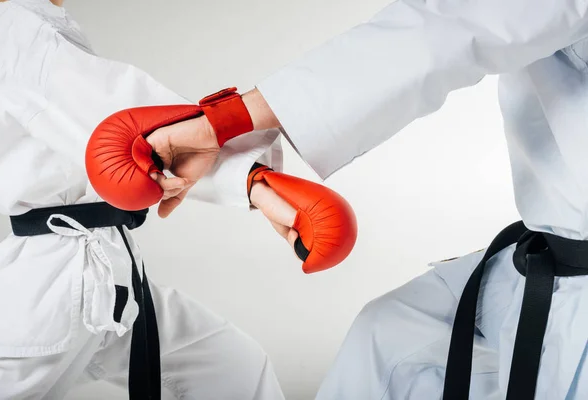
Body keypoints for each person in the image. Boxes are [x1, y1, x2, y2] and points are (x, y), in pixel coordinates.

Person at [147, 0, 588, 398]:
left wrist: (226, 121)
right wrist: (243, 160)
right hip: (546, 253)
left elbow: (451, 28)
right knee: (386, 334)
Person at [0, 0, 307, 398]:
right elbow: (121, 121)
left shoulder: (19, 27)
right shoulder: (14, 28)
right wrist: (255, 181)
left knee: (232, 367)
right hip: (54, 281)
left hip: (104, 272)